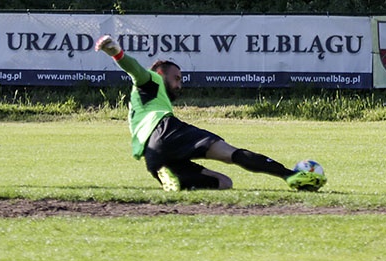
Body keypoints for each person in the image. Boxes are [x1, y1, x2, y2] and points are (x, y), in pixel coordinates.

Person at [95, 34, 325, 192]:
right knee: (229, 153)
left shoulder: (146, 100)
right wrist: (115, 51)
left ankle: (169, 176)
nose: (179, 85)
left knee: (224, 182)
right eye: (176, 78)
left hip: (152, 155)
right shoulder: (151, 80)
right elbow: (134, 69)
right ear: (160, 73)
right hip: (166, 131)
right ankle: (289, 175)